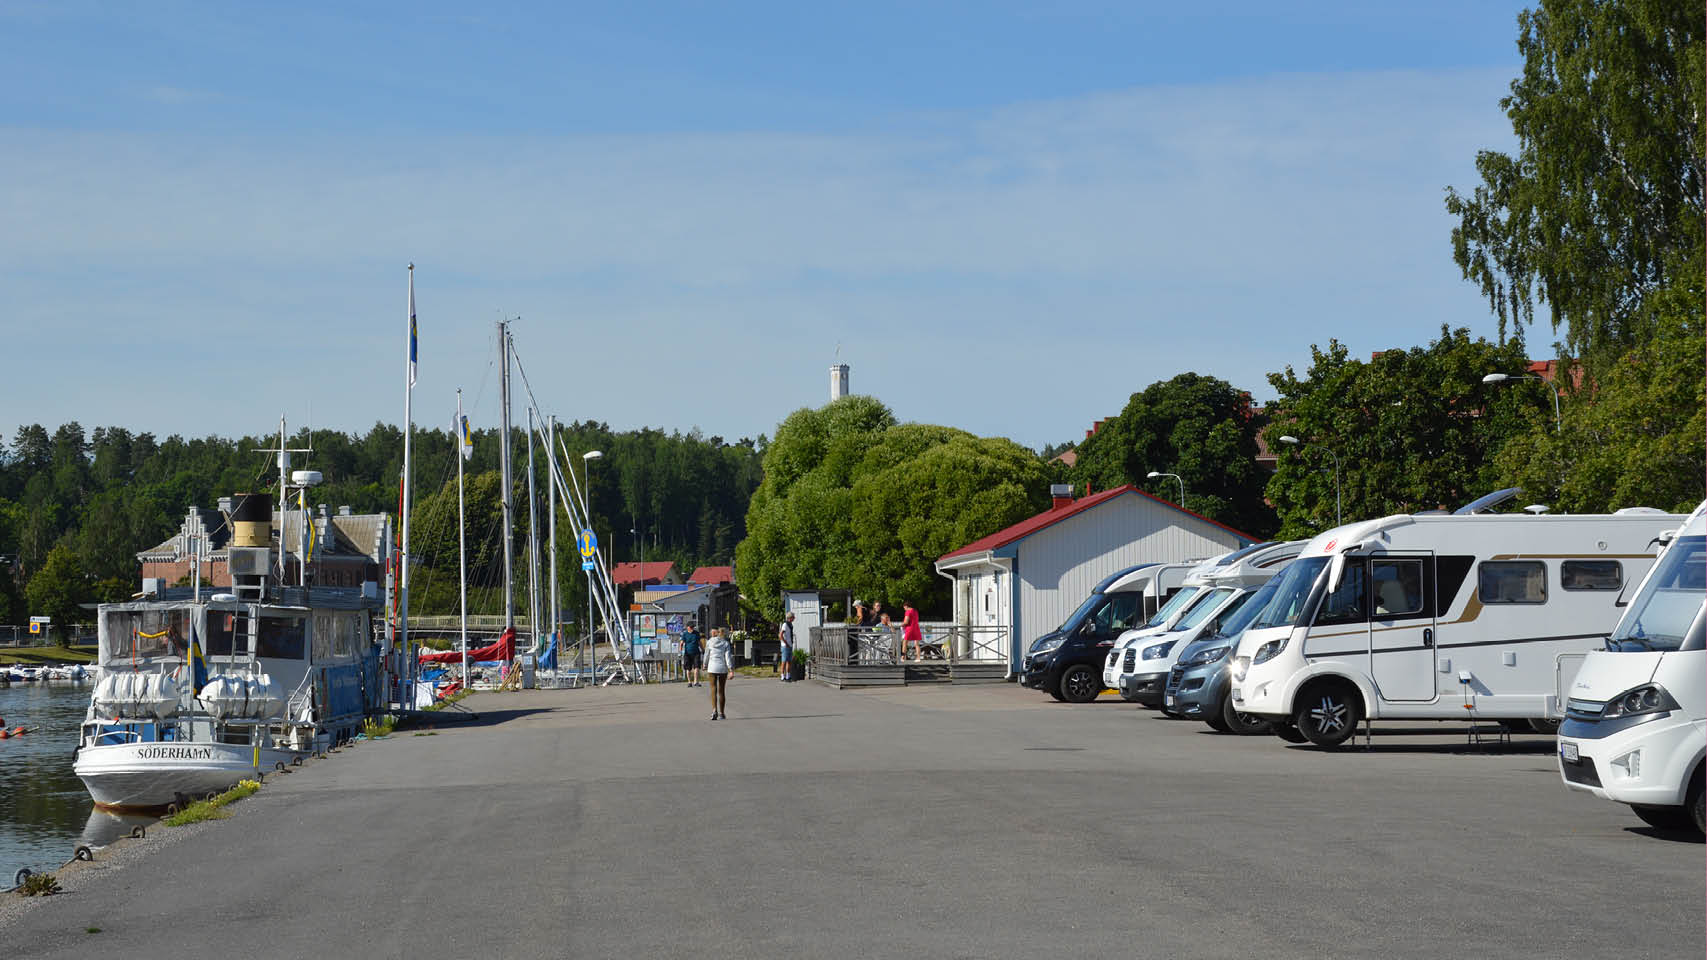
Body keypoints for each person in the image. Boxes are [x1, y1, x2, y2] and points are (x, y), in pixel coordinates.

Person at [704, 627, 733, 720]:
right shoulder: (725, 643)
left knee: (713, 689)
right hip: (722, 668)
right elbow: (727, 657)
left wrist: (704, 664)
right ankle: (722, 713)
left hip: (712, 667)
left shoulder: (709, 642)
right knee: (721, 691)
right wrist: (730, 669)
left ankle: (714, 710)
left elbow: (706, 654)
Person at [778, 614, 795, 681]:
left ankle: (788, 676)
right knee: (784, 661)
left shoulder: (790, 625)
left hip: (790, 645)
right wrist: (786, 643)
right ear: (789, 618)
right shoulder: (785, 624)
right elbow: (780, 635)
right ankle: (782, 676)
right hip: (785, 646)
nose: (794, 618)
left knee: (789, 661)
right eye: (793, 617)